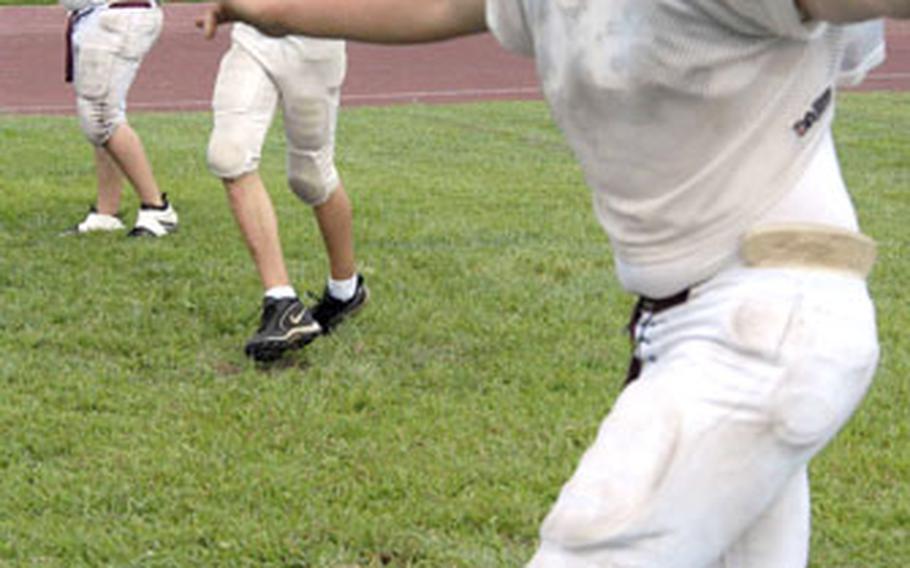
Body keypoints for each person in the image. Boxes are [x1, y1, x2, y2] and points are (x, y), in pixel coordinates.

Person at [199, 0, 903, 565]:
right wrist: (271, 9)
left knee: (589, 543)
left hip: (766, 327)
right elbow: (435, 7)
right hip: (710, 332)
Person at [203, 22, 368, 362]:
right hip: (253, 37)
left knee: (311, 178)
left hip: (316, 42)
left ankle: (345, 290)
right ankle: (281, 303)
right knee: (229, 155)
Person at [61, 0, 178, 237]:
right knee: (103, 113)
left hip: (115, 13)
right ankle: (107, 212)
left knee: (101, 117)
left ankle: (157, 209)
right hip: (103, 14)